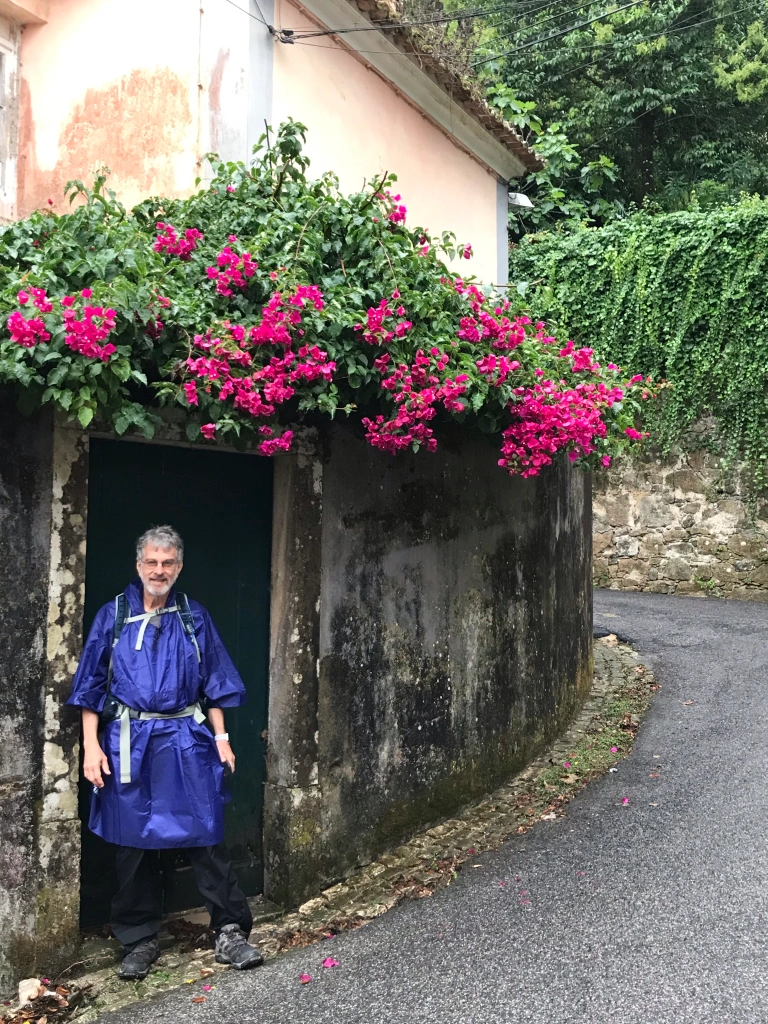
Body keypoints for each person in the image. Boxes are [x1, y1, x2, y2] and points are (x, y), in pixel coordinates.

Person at [67, 525, 263, 980]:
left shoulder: (194, 617)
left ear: (179, 567)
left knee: (205, 834)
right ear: (138, 566)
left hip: (185, 741)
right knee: (131, 843)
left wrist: (221, 738)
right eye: (152, 562)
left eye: (168, 562)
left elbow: (215, 682)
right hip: (128, 742)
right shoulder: (112, 616)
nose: (159, 570)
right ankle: (138, 937)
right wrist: (91, 748)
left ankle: (229, 928)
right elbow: (90, 688)